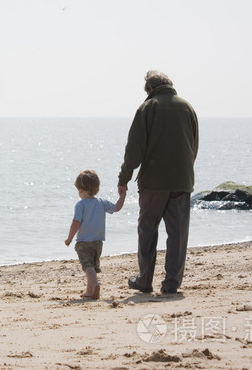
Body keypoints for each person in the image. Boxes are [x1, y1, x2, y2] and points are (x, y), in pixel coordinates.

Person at [118, 70, 199, 295]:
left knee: (147, 231)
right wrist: (184, 171)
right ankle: (172, 283)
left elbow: (134, 150)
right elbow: (194, 145)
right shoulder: (187, 107)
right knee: (178, 234)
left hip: (153, 182)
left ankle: (145, 280)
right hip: (182, 180)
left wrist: (123, 178)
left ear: (150, 89)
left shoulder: (147, 108)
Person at [65, 169, 125, 299]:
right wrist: (123, 194)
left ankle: (96, 285)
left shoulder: (81, 205)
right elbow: (117, 208)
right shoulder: (101, 202)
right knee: (92, 267)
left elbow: (76, 223)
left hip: (84, 242)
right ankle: (89, 291)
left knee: (87, 267)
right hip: (98, 242)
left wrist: (69, 238)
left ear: (81, 190)